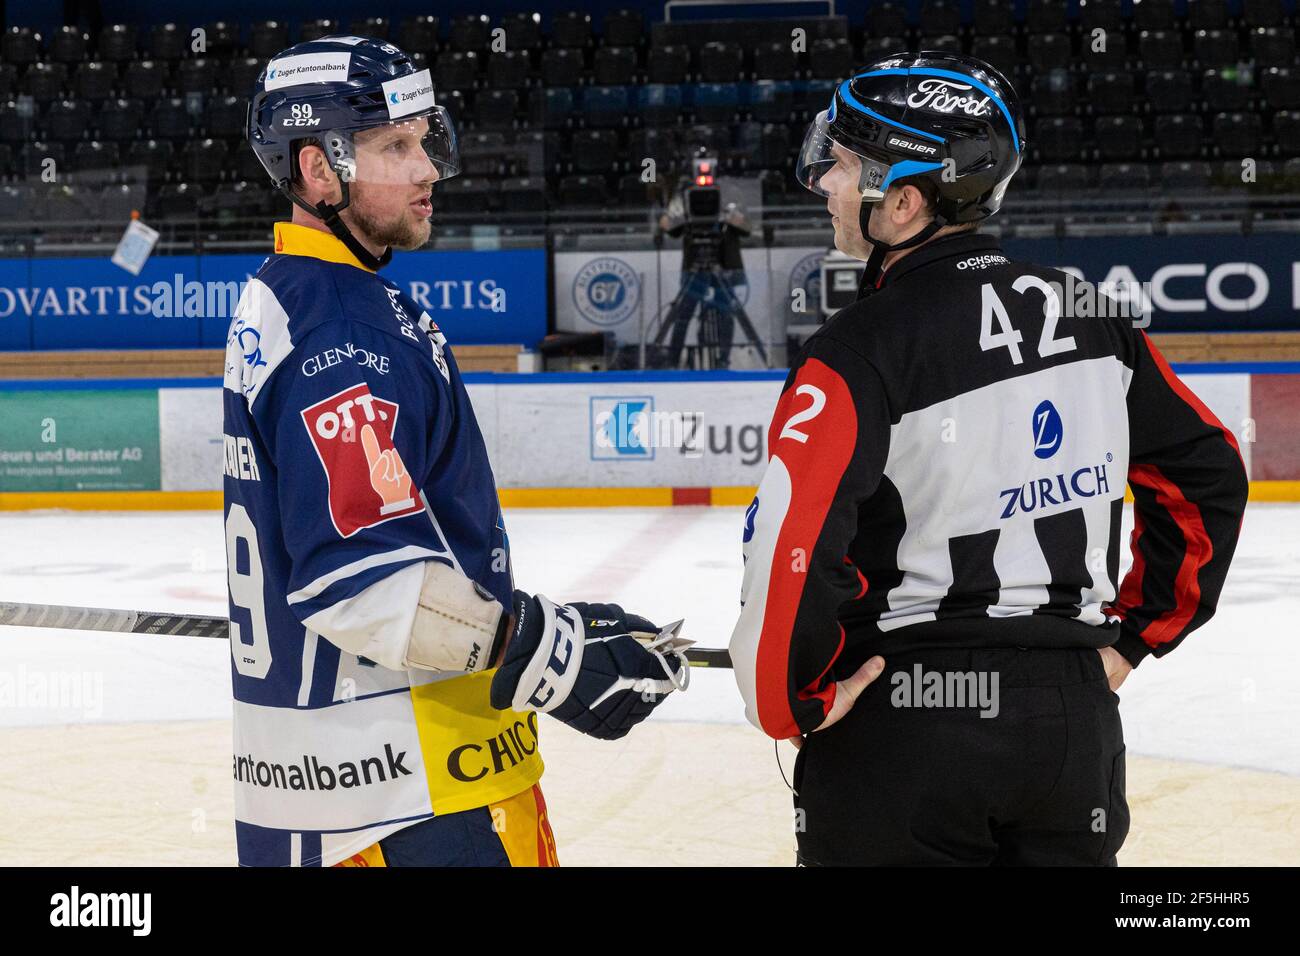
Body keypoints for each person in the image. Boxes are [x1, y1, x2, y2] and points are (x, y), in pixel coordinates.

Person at [728, 52, 1249, 866]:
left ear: (901, 201)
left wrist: (789, 702)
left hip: (902, 728)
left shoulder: (856, 350)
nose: (823, 184)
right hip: (1069, 732)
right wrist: (1134, 641)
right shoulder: (1094, 314)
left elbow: (795, 545)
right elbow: (1209, 470)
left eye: (840, 166)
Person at [228, 36, 685, 867]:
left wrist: (548, 629)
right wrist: (549, 654)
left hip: (346, 787)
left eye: (423, 138)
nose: (427, 168)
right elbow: (366, 585)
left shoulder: (298, 293)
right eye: (394, 147)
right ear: (320, 170)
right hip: (406, 798)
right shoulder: (341, 331)